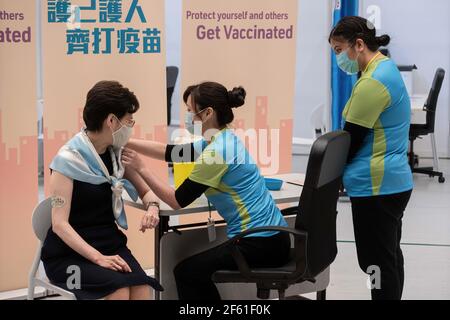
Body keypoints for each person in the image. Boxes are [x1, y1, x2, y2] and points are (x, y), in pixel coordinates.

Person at [122, 82, 291, 300]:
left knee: (187, 273)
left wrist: (140, 167)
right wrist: (126, 141)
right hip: (275, 236)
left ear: (208, 112)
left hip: (259, 243)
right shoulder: (222, 140)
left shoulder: (216, 153)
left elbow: (177, 200)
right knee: (192, 270)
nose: (188, 116)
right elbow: (170, 153)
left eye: (191, 110)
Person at [41, 81, 163, 300]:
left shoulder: (116, 156)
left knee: (142, 288)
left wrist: (152, 208)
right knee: (118, 291)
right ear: (111, 121)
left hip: (109, 244)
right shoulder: (67, 161)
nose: (131, 126)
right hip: (68, 255)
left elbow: (147, 193)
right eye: (129, 121)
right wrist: (98, 258)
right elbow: (59, 225)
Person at [329, 16, 413, 300]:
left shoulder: (373, 81)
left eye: (340, 50)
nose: (339, 58)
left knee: (375, 263)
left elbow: (351, 140)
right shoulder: (383, 68)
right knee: (387, 256)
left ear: (359, 44)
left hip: (377, 185)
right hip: (391, 182)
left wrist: (332, 176)